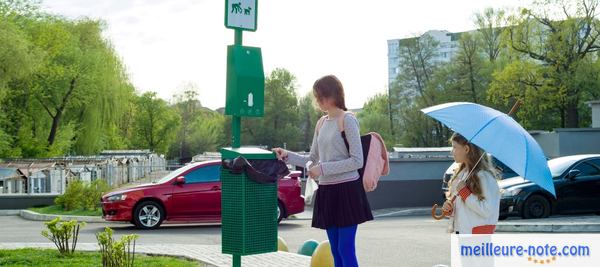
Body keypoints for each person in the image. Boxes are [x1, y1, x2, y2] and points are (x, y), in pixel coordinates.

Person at [273, 75, 372, 267]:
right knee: (335, 249)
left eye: (321, 96)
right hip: (328, 192)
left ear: (333, 94)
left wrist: (323, 169)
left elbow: (357, 161)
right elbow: (311, 159)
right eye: (317, 97)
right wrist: (286, 155)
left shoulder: (348, 120)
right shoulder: (321, 123)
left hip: (347, 191)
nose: (318, 101)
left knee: (345, 248)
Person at [442, 133, 500, 234]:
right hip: (462, 235)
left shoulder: (484, 177)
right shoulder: (461, 175)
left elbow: (487, 210)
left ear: (466, 149)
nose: (452, 151)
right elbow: (464, 211)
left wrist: (465, 193)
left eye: (455, 147)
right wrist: (450, 209)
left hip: (477, 239)